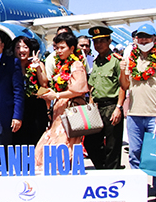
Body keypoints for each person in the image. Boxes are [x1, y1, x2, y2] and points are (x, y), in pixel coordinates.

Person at [119, 23, 156, 202]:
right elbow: (125, 86)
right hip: (134, 112)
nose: (143, 40)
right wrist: (122, 70)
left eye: (147, 37)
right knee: (135, 152)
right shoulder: (130, 58)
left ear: (154, 39)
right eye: (140, 37)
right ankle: (137, 187)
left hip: (153, 112)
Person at [35, 32, 89, 167]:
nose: (58, 51)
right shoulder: (62, 65)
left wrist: (57, 95)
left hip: (70, 110)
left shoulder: (76, 65)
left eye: (62, 48)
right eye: (56, 47)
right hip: (60, 110)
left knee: (63, 144)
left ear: (71, 48)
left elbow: (79, 89)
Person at [84, 26, 125, 170]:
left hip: (111, 106)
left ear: (109, 41)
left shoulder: (116, 61)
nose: (98, 45)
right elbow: (92, 85)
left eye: (102, 41)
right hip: (97, 107)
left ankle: (112, 173)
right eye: (96, 42)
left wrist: (118, 108)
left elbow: (123, 86)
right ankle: (103, 169)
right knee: (91, 143)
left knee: (113, 146)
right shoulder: (95, 62)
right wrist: (90, 102)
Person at [10, 36, 48, 146]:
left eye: (25, 47)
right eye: (18, 47)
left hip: (35, 107)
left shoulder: (37, 63)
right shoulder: (10, 65)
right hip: (17, 108)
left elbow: (44, 84)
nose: (21, 50)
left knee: (35, 139)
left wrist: (38, 68)